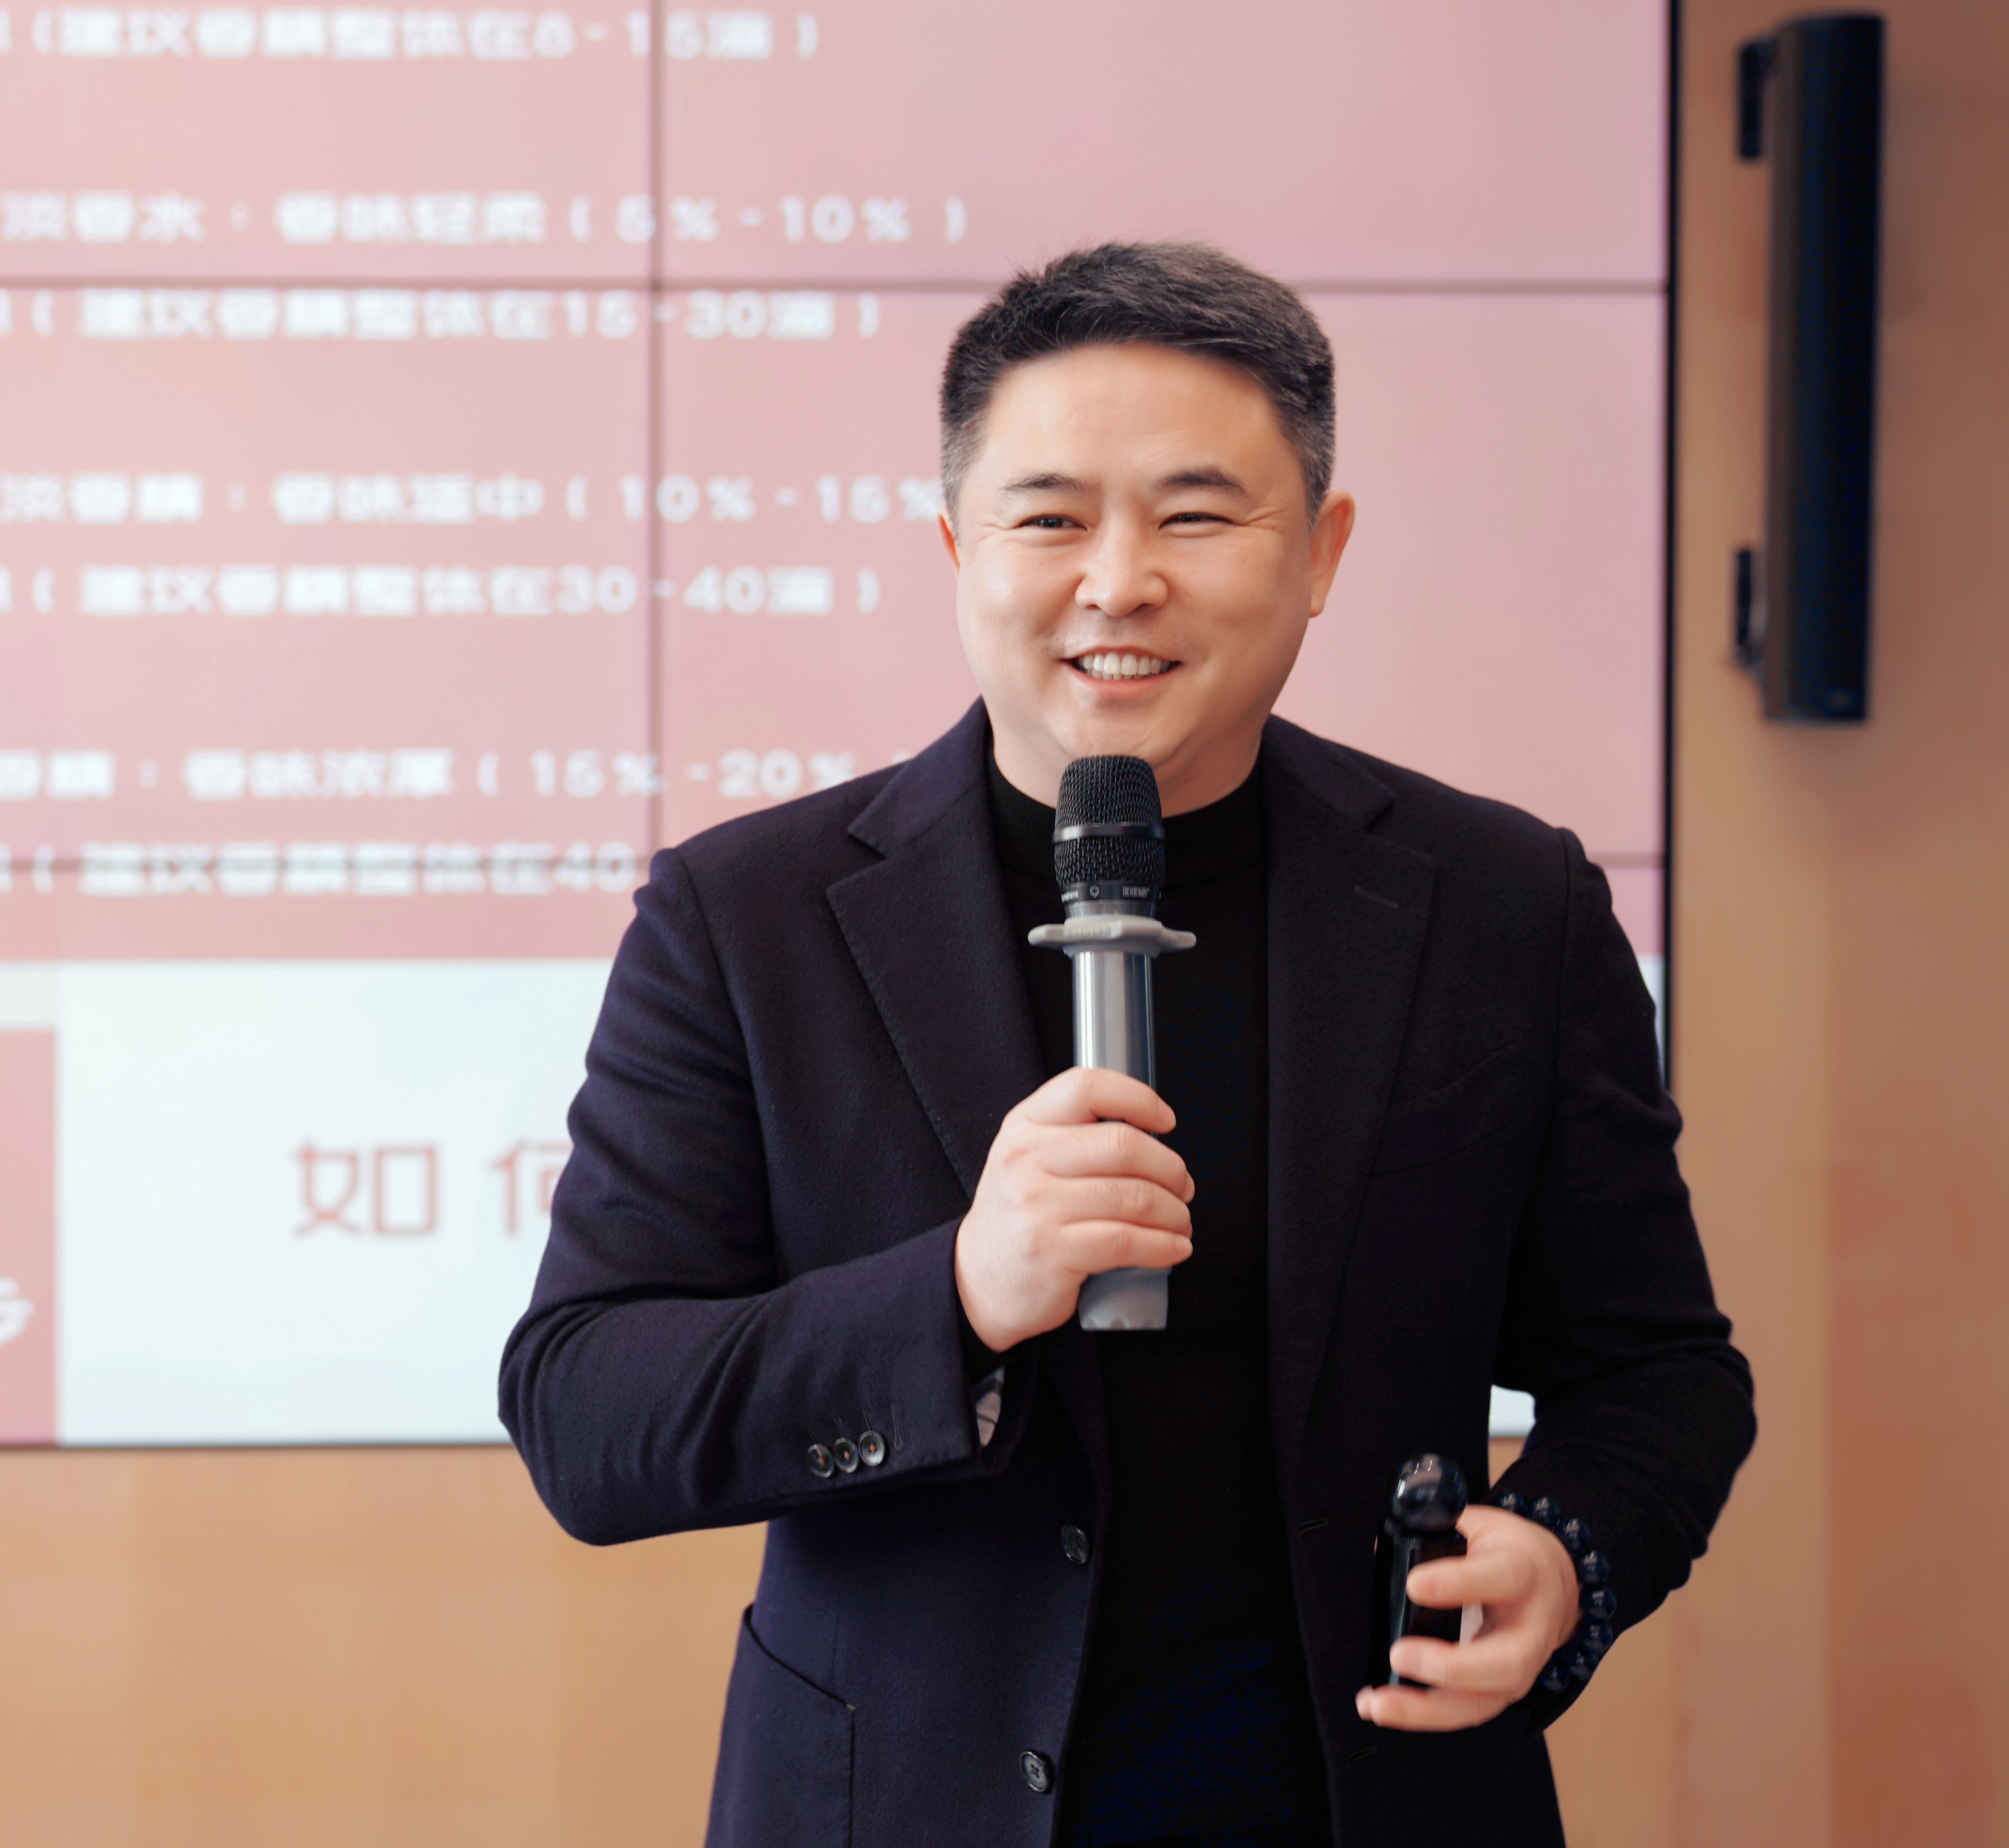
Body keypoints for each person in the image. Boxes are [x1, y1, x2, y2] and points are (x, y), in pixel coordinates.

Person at [500, 242, 1755, 1848]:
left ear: (1322, 551)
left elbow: (1660, 1370)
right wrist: (958, 1294)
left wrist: (1568, 1551)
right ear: (956, 548)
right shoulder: (746, 918)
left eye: (1194, 515)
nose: (1117, 581)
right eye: (1048, 520)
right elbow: (588, 1411)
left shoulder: (1505, 904)